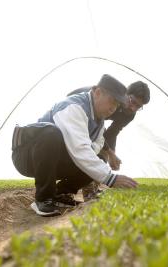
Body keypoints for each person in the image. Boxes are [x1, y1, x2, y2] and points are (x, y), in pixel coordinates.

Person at [11, 74, 138, 216]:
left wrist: (102, 156)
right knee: (51, 134)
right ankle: (43, 199)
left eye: (117, 105)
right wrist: (111, 178)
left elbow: (93, 147)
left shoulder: (100, 122)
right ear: (97, 92)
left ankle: (61, 193)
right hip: (26, 156)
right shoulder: (74, 106)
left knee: (99, 159)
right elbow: (80, 149)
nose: (114, 108)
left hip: (54, 159)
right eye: (112, 101)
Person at [68, 81, 150, 200]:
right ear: (126, 94)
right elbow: (95, 131)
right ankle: (69, 188)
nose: (133, 108)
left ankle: (90, 187)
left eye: (139, 106)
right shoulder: (107, 98)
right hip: (77, 111)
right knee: (87, 148)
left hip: (95, 121)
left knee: (103, 152)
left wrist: (112, 154)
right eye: (133, 102)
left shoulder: (130, 114)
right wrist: (109, 152)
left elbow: (112, 133)